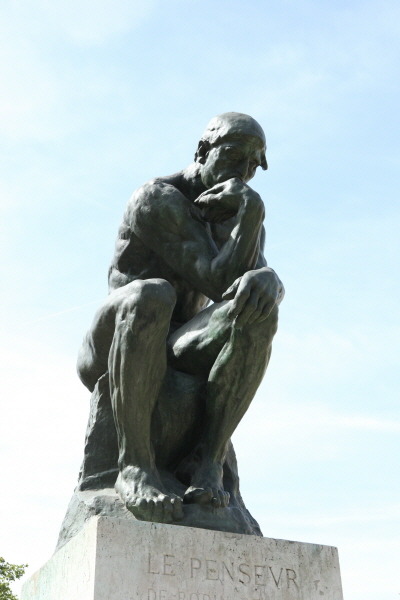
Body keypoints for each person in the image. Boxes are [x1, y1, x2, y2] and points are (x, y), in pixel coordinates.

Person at [77, 112, 284, 524]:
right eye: (233, 155)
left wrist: (271, 282)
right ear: (203, 150)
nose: (242, 171)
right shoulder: (157, 198)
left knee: (258, 313)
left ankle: (208, 463)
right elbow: (218, 280)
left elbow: (246, 291)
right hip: (119, 336)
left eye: (252, 164)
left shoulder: (240, 214)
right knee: (153, 293)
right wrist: (252, 210)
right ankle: (135, 468)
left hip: (179, 343)